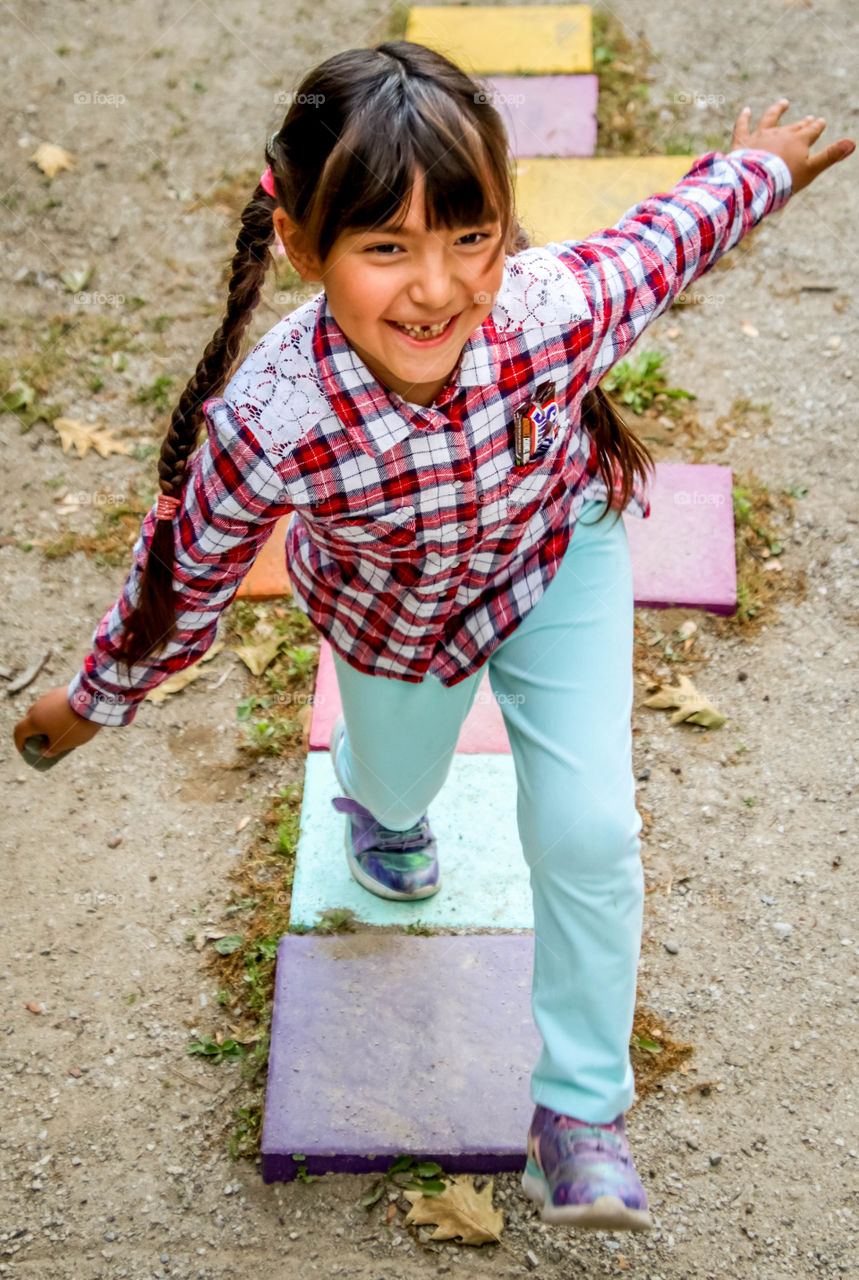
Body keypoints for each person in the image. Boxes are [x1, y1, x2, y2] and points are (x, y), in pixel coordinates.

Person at [13, 40, 853, 1232]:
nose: (438, 287)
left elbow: (664, 241)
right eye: (385, 247)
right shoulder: (272, 414)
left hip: (555, 560)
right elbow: (186, 569)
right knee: (399, 785)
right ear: (305, 246)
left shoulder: (545, 311)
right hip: (390, 620)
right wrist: (95, 697)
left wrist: (757, 167)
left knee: (591, 826)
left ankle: (578, 1110)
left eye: (471, 238)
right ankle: (377, 799)